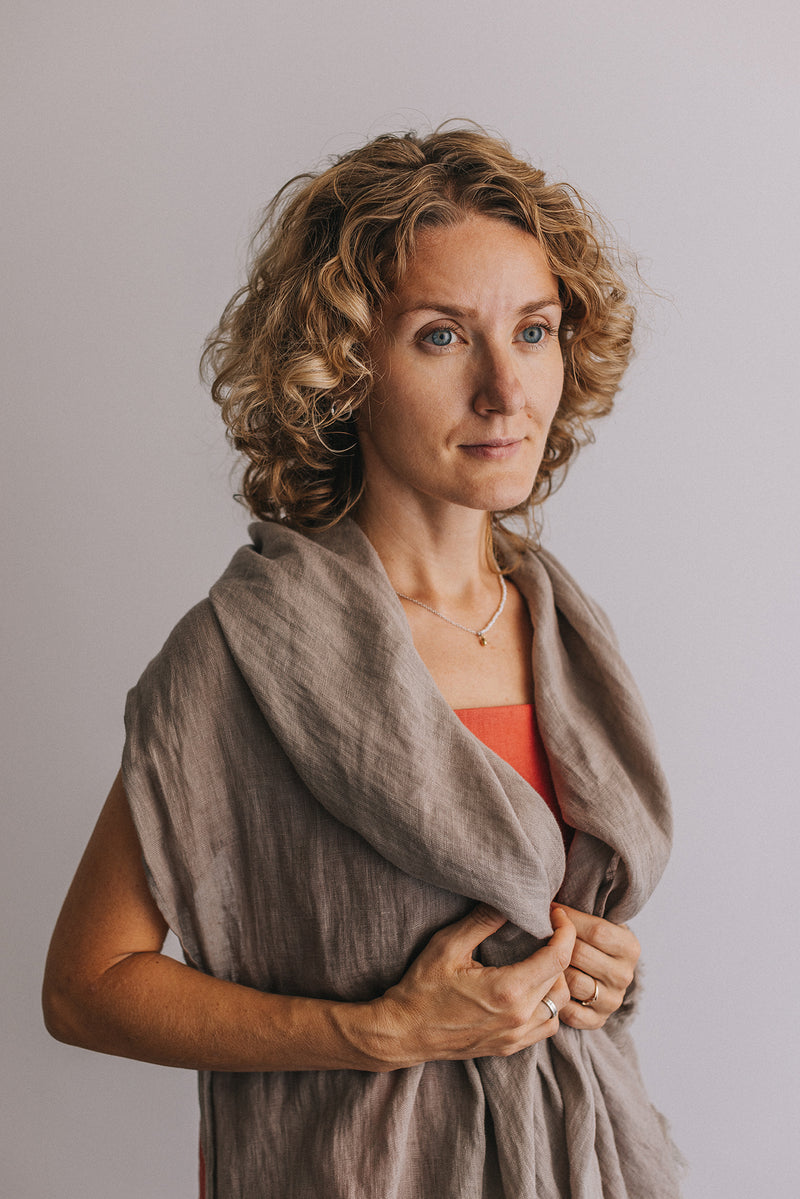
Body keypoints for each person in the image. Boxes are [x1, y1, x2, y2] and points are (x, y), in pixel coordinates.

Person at [43, 127, 680, 1198]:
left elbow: (541, 928)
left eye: (531, 331)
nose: (504, 389)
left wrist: (600, 972)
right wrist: (377, 1030)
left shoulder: (568, 632)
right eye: (441, 337)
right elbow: (87, 985)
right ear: (344, 366)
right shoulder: (247, 654)